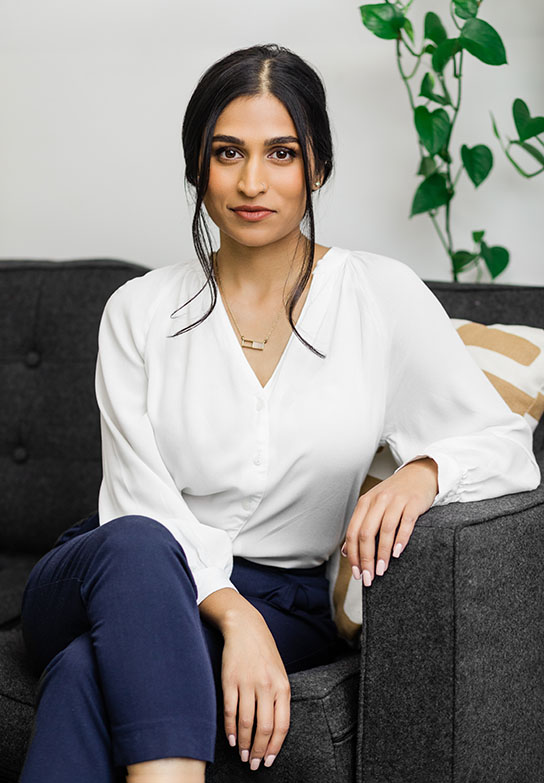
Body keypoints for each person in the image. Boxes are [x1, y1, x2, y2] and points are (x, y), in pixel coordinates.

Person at [18, 43, 540, 783]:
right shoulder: (136, 313)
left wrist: (426, 470)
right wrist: (234, 616)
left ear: (318, 166)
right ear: (197, 166)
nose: (252, 181)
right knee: (136, 542)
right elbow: (140, 502)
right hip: (107, 568)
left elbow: (504, 443)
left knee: (82, 672)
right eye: (227, 152)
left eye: (282, 153)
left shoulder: (378, 300)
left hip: (286, 595)